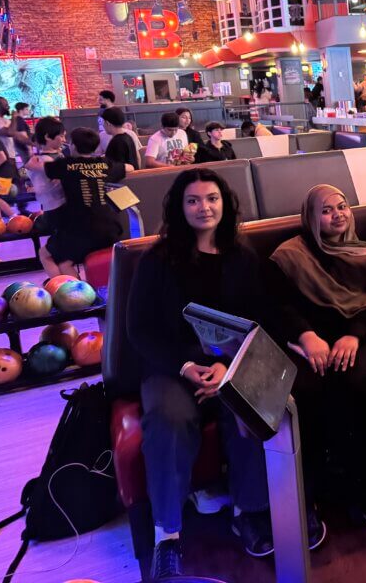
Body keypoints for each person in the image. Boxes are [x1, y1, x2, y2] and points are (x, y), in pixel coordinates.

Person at [126, 169, 273, 579]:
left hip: (229, 360)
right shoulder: (157, 259)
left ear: (225, 204)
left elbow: (256, 317)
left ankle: (249, 510)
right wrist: (188, 366)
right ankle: (166, 535)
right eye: (193, 200)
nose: (203, 207)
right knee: (169, 419)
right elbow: (139, 329)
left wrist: (228, 364)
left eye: (211, 198)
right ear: (179, 207)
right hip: (171, 364)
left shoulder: (242, 257)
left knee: (250, 406)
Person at [267, 184, 366, 544]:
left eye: (343, 207)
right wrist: (307, 336)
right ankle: (310, 495)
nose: (338, 215)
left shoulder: (365, 254)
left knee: (357, 381)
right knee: (305, 390)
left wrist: (353, 335)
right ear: (310, 216)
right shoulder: (289, 255)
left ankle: (363, 488)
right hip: (306, 341)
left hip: (355, 337)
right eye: (326, 210)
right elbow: (279, 306)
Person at [26, 127, 126, 276]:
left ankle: (70, 295)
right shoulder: (106, 164)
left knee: (48, 255)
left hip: (81, 229)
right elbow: (128, 167)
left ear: (73, 146)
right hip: (112, 228)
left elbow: (32, 165)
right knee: (67, 259)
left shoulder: (66, 165)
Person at [28, 117, 68, 276]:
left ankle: (62, 288)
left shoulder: (53, 158)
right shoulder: (42, 161)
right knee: (56, 255)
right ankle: (62, 288)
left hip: (59, 211)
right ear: (47, 136)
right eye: (61, 136)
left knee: (48, 254)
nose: (64, 140)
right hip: (56, 211)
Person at [102, 108, 139, 172]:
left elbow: (116, 168)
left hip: (123, 181)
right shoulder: (128, 137)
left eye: (103, 122)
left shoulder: (116, 142)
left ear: (108, 123)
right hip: (133, 179)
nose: (103, 125)